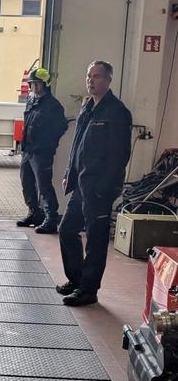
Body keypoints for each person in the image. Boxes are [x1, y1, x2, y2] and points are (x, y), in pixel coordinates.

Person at [57, 60, 132, 306]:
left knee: (96, 240)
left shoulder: (117, 112)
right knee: (67, 229)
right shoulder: (87, 107)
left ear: (109, 80)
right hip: (81, 185)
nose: (91, 81)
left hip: (99, 188)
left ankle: (89, 290)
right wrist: (69, 172)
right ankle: (76, 279)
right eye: (89, 76)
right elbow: (77, 145)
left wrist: (104, 188)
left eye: (97, 76)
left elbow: (120, 156)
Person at [16, 68, 68, 233]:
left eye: (37, 84)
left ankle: (51, 219)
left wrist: (48, 144)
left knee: (44, 186)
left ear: (45, 85)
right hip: (28, 151)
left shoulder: (53, 106)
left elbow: (62, 126)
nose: (34, 87)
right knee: (27, 184)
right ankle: (34, 213)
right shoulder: (32, 101)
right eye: (32, 84)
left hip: (41, 153)